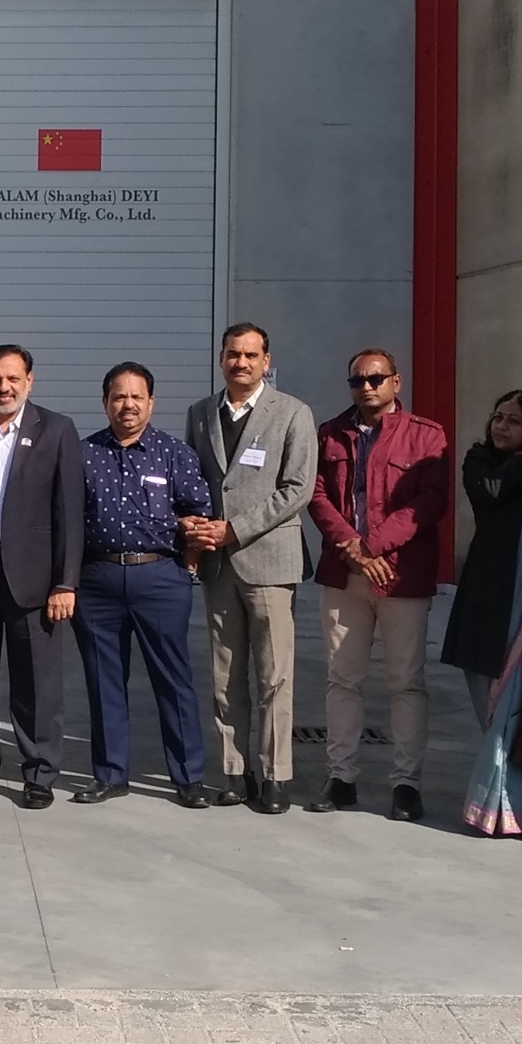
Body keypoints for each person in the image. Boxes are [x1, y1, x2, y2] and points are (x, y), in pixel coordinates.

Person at [306, 348, 450, 820]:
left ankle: (406, 783)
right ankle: (341, 777)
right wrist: (352, 547)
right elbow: (317, 496)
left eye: (375, 379)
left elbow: (429, 502)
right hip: (343, 574)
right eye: (357, 380)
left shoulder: (426, 435)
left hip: (400, 575)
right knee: (343, 679)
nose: (366, 387)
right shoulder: (330, 434)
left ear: (396, 382)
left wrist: (373, 547)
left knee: (405, 682)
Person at [182, 323, 318, 814]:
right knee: (225, 675)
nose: (241, 362)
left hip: (269, 561)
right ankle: (236, 772)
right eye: (233, 354)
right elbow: (194, 480)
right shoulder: (201, 413)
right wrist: (196, 528)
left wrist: (234, 530)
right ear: (221, 358)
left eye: (251, 355)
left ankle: (277, 775)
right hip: (218, 566)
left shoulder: (293, 412)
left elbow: (297, 488)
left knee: (274, 675)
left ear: (266, 361)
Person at [72, 362, 212, 808]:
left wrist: (187, 567)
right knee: (103, 681)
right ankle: (110, 774)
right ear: (105, 403)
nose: (127, 405)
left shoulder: (175, 454)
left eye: (136, 397)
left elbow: (199, 512)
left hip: (160, 578)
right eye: (119, 396)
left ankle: (188, 777)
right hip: (98, 580)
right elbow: (68, 520)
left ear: (151, 402)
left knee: (173, 679)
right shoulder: (83, 454)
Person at [0, 345, 82, 809]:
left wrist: (65, 582)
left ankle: (39, 773)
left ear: (29, 380)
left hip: (34, 576)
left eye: (12, 379)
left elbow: (70, 514)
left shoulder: (57, 429)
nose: (3, 388)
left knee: (37, 680)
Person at [442, 391, 522, 836]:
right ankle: (507, 804)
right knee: (495, 711)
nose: (500, 426)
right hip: (488, 607)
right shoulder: (481, 462)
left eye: (513, 420)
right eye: (497, 417)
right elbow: (491, 493)